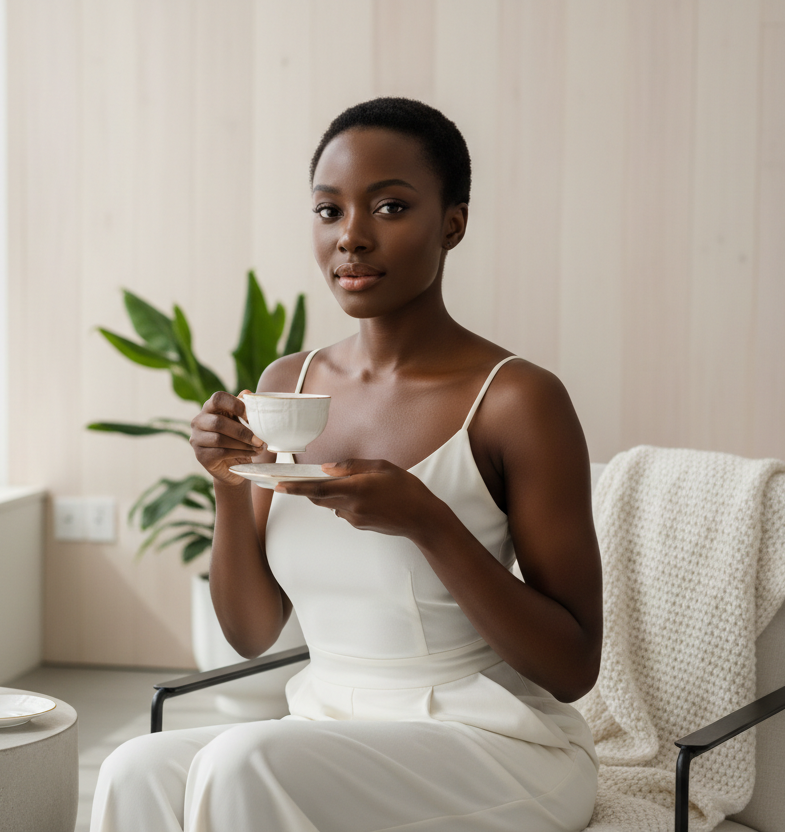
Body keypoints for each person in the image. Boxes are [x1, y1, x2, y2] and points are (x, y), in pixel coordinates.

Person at [90, 97, 603, 832]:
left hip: (490, 743)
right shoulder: (285, 386)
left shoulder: (517, 400)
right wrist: (229, 487)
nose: (352, 237)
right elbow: (251, 632)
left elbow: (574, 665)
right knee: (133, 768)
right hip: (324, 722)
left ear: (451, 223)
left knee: (246, 763)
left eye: (390, 207)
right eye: (329, 212)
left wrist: (430, 522)